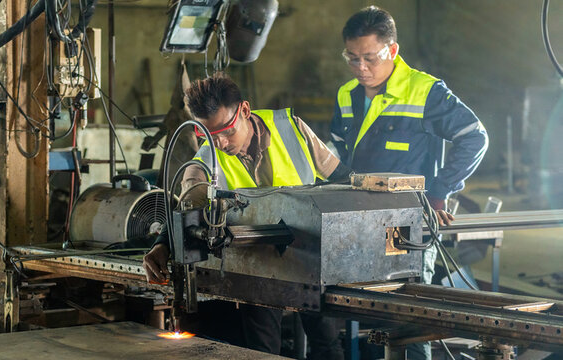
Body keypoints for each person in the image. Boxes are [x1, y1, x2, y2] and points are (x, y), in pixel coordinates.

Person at [143, 72, 350, 356]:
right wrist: (162, 245)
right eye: (209, 135)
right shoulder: (203, 163)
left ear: (244, 111)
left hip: (312, 258)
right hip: (259, 267)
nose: (221, 144)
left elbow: (342, 179)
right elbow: (185, 211)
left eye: (227, 131)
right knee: (262, 350)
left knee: (326, 343)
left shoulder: (292, 131)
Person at [330, 6, 489, 359]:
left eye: (370, 58)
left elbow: (474, 137)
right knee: (368, 318)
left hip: (409, 229)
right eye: (352, 58)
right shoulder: (347, 95)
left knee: (411, 322)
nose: (361, 68)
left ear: (393, 51)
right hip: (358, 223)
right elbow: (336, 157)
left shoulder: (425, 91)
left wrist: (438, 191)